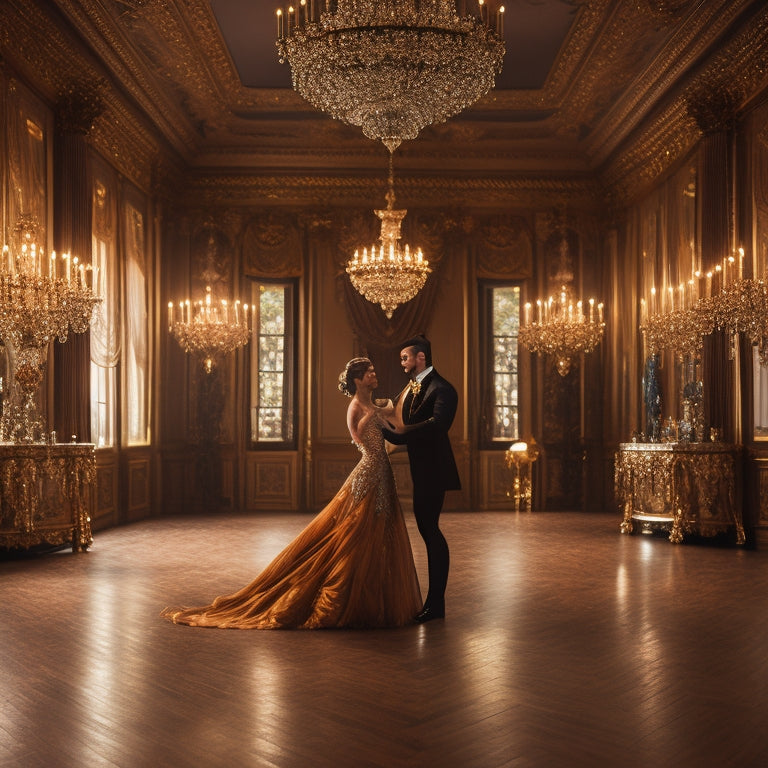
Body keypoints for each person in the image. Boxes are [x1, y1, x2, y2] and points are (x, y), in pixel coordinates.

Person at [162, 358, 421, 629]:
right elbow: (356, 437)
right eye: (370, 372)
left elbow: (397, 426)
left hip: (383, 472)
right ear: (358, 380)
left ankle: (372, 599)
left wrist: (402, 412)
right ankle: (348, 596)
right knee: (352, 532)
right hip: (368, 470)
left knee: (379, 530)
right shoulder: (356, 406)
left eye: (373, 370)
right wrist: (373, 414)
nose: (374, 375)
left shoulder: (376, 403)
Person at [381, 335, 460, 623]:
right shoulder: (413, 387)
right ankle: (434, 604)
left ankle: (435, 604)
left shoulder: (444, 389)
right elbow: (406, 419)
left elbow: (437, 426)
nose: (402, 364)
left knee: (430, 530)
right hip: (422, 470)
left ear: (421, 358)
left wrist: (395, 435)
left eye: (405, 358)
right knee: (428, 530)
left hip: (435, 470)